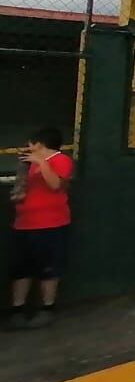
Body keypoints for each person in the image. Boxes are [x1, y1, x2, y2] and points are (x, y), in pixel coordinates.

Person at [8, 127, 73, 329]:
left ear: (40, 144)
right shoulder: (26, 164)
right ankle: (17, 310)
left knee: (48, 268)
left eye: (31, 144)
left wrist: (41, 163)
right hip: (24, 223)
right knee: (21, 269)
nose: (28, 147)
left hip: (51, 224)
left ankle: (47, 308)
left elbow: (55, 185)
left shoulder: (61, 160)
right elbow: (19, 190)